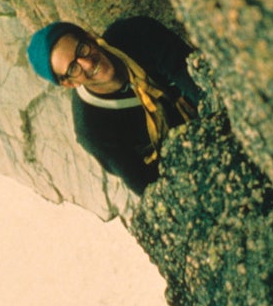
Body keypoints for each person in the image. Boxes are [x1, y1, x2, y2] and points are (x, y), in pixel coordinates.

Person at [27, 15, 201, 195]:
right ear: (69, 83)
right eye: (73, 68)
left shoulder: (136, 33)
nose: (87, 63)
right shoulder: (93, 130)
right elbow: (147, 187)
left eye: (82, 49)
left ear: (89, 37)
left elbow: (198, 82)